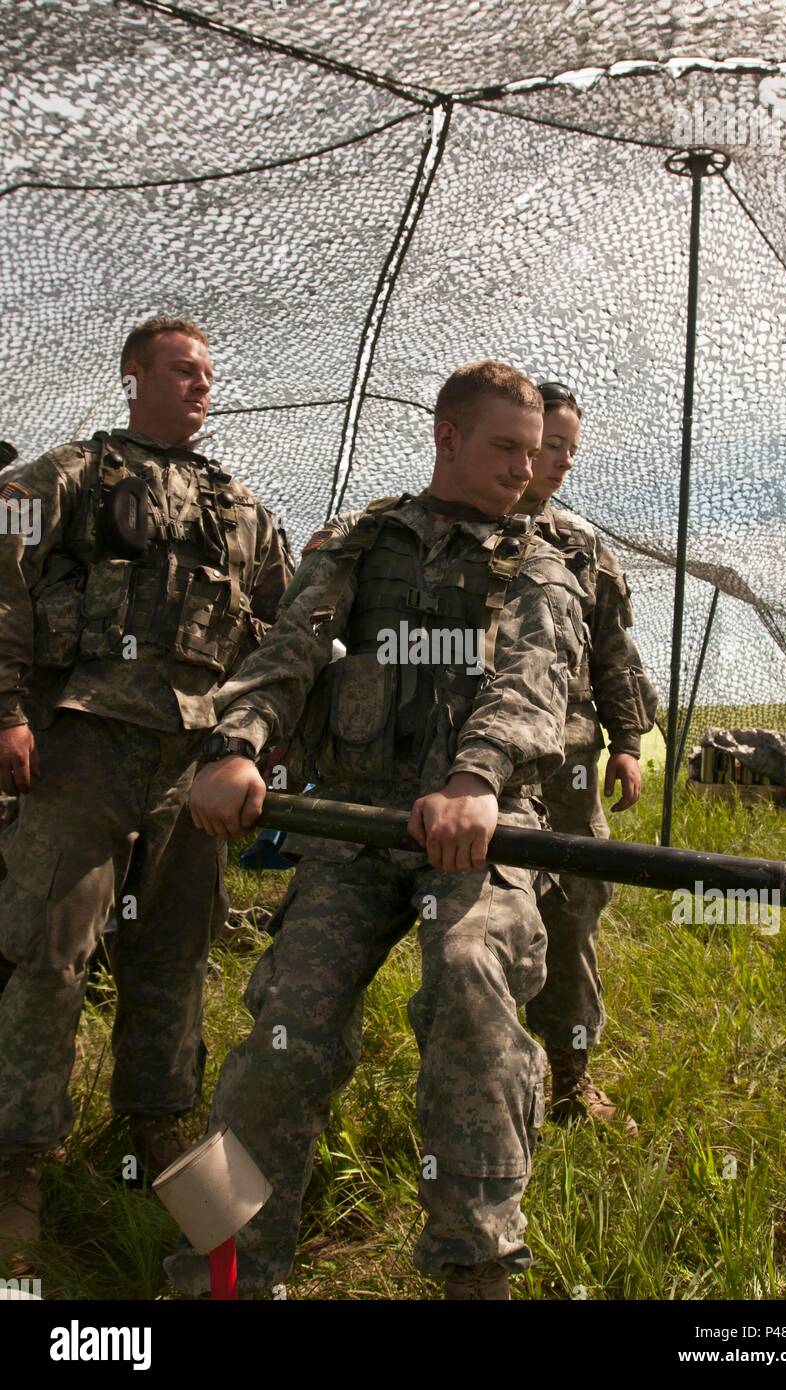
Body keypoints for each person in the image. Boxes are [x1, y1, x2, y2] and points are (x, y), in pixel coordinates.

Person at [164, 360, 586, 1301]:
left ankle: (478, 1268)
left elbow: (530, 680)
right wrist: (238, 744)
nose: (525, 468)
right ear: (446, 438)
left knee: (474, 986)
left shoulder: (541, 560)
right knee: (284, 1029)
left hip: (484, 829)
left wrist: (475, 779)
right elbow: (292, 647)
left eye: (532, 449)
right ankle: (218, 1268)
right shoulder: (360, 541)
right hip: (354, 828)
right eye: (505, 447)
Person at [0, 316, 292, 1273]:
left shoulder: (241, 509)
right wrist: (5, 708)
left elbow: (283, 638)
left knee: (173, 957)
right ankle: (17, 1166)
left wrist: (253, 746)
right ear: (133, 377)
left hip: (188, 767)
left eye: (209, 372)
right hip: (77, 746)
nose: (200, 385)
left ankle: (157, 1134)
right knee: (48, 949)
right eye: (180, 370)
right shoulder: (68, 477)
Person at [519, 381, 658, 1132]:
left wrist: (627, 743)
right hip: (474, 769)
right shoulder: (456, 532)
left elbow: (614, 652)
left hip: (569, 762)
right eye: (550, 445)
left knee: (571, 912)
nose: (560, 462)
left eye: (570, 449)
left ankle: (570, 1081)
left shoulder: (579, 543)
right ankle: (480, 1080)